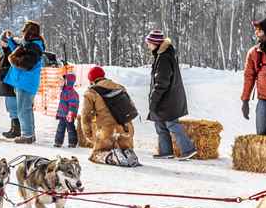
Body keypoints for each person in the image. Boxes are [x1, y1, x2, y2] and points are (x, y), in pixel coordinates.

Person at [145, 30, 197, 160]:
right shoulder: (160, 55)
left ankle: (188, 149)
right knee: (160, 123)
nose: (147, 46)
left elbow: (162, 82)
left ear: (156, 43)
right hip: (165, 98)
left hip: (168, 99)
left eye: (149, 43)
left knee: (171, 123)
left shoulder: (164, 58)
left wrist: (154, 99)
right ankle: (166, 151)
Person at [81, 66, 139, 166]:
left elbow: (85, 116)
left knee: (96, 155)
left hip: (106, 132)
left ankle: (111, 157)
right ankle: (128, 152)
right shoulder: (120, 87)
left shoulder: (91, 92)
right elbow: (130, 108)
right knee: (124, 145)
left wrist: (88, 135)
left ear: (91, 79)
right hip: (126, 129)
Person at [5, 20, 46, 144]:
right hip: (24, 81)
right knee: (25, 108)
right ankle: (30, 134)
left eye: (24, 30)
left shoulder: (33, 46)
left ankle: (27, 134)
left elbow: (26, 63)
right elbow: (19, 51)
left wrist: (13, 60)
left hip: (26, 81)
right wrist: (10, 40)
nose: (22, 32)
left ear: (29, 32)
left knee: (23, 109)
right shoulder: (31, 44)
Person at [0, 31, 19, 138]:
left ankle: (17, 130)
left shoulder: (12, 53)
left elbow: (13, 68)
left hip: (11, 84)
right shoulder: (5, 54)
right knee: (10, 108)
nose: (1, 43)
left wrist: (0, 71)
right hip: (6, 83)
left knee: (13, 107)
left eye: (2, 41)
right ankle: (13, 128)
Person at [54, 73, 79, 147]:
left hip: (68, 115)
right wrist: (59, 113)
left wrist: (71, 113)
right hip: (62, 115)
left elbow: (73, 104)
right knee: (60, 129)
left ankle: (72, 142)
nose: (61, 82)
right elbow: (61, 104)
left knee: (70, 129)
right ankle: (58, 142)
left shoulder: (72, 93)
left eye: (63, 81)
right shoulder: (63, 91)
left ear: (68, 82)